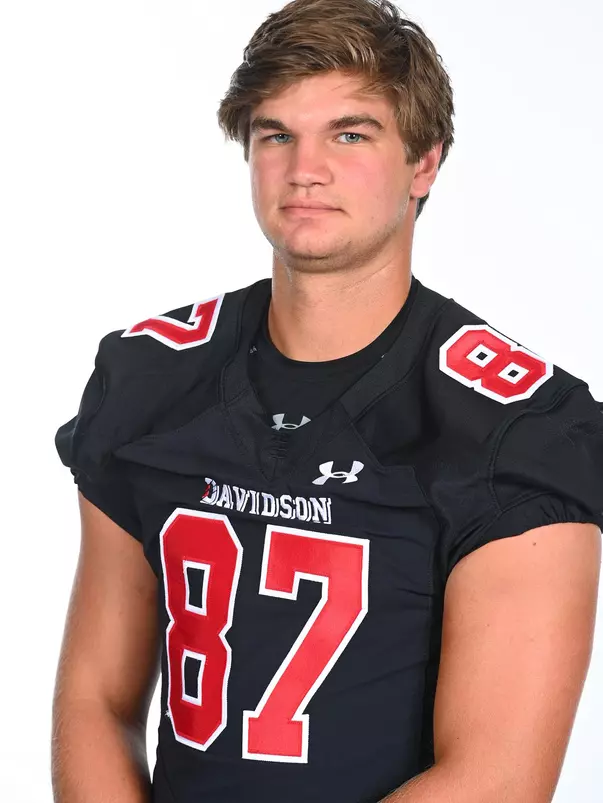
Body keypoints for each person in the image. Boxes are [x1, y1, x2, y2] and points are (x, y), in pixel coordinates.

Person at [52, 1, 603, 802]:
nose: (303, 168)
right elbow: (95, 700)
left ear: (424, 164)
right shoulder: (150, 378)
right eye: (276, 134)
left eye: (349, 133)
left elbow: (496, 778)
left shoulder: (518, 427)